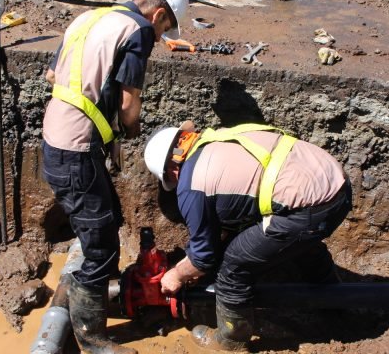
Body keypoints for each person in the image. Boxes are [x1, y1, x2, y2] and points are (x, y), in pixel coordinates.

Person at [41, 0, 188, 354]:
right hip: (76, 152)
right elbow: (127, 102)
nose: (158, 38)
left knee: (107, 221)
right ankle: (91, 340)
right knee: (101, 248)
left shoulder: (90, 18)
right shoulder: (138, 31)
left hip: (58, 140)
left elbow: (53, 74)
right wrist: (130, 128)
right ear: (158, 14)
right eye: (164, 30)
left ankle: (91, 294)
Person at [143, 122, 353, 351]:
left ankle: (231, 340)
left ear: (171, 170)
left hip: (313, 206)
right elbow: (233, 206)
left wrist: (176, 275)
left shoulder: (190, 187)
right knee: (298, 243)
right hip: (334, 181)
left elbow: (203, 257)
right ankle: (336, 302)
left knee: (233, 265)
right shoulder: (217, 137)